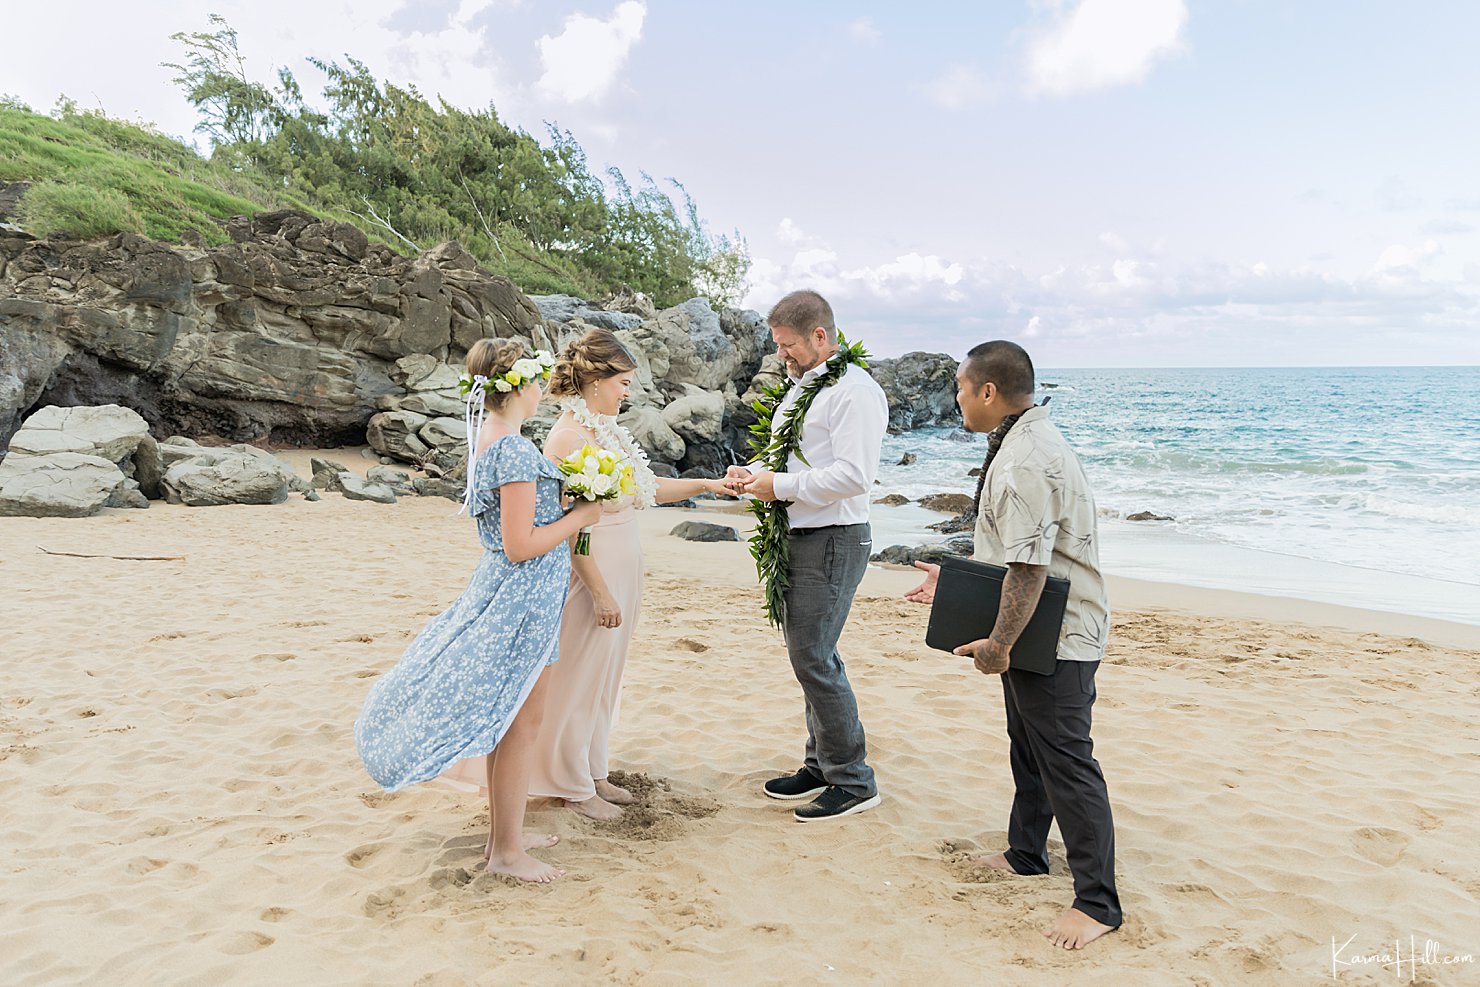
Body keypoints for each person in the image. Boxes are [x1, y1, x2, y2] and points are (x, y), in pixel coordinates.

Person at [441, 328, 729, 820]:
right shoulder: (568, 436)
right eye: (622, 382)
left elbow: (646, 488)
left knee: (605, 678)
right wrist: (598, 591)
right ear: (596, 380)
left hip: (625, 557)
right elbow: (568, 523)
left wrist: (709, 484)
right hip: (592, 565)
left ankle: (594, 769)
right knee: (580, 679)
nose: (628, 391)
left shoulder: (605, 429)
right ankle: (573, 785)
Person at [355, 338, 601, 883]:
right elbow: (519, 544)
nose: (543, 390)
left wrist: (560, 506)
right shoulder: (512, 449)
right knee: (520, 724)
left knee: (511, 719)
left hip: (515, 593)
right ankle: (507, 853)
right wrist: (582, 516)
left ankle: (504, 836)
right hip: (521, 597)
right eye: (538, 380)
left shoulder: (494, 437)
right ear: (521, 385)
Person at [905, 340, 1122, 948]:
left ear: (988, 393)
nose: (957, 400)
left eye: (959, 389)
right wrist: (954, 582)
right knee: (1028, 748)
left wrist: (997, 644)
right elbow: (1016, 555)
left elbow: (1028, 571)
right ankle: (1027, 853)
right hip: (1039, 627)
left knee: (1067, 763)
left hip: (1058, 635)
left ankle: (1098, 903)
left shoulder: (1026, 457)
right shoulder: (1022, 439)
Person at [730, 290, 888, 822]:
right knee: (810, 655)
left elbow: (852, 475)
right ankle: (820, 764)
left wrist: (779, 485)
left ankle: (853, 779)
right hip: (804, 532)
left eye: (789, 345)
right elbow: (799, 458)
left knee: (814, 657)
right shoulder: (808, 387)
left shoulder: (853, 391)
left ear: (820, 336)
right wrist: (755, 476)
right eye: (778, 345)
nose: (783, 355)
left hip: (835, 537)